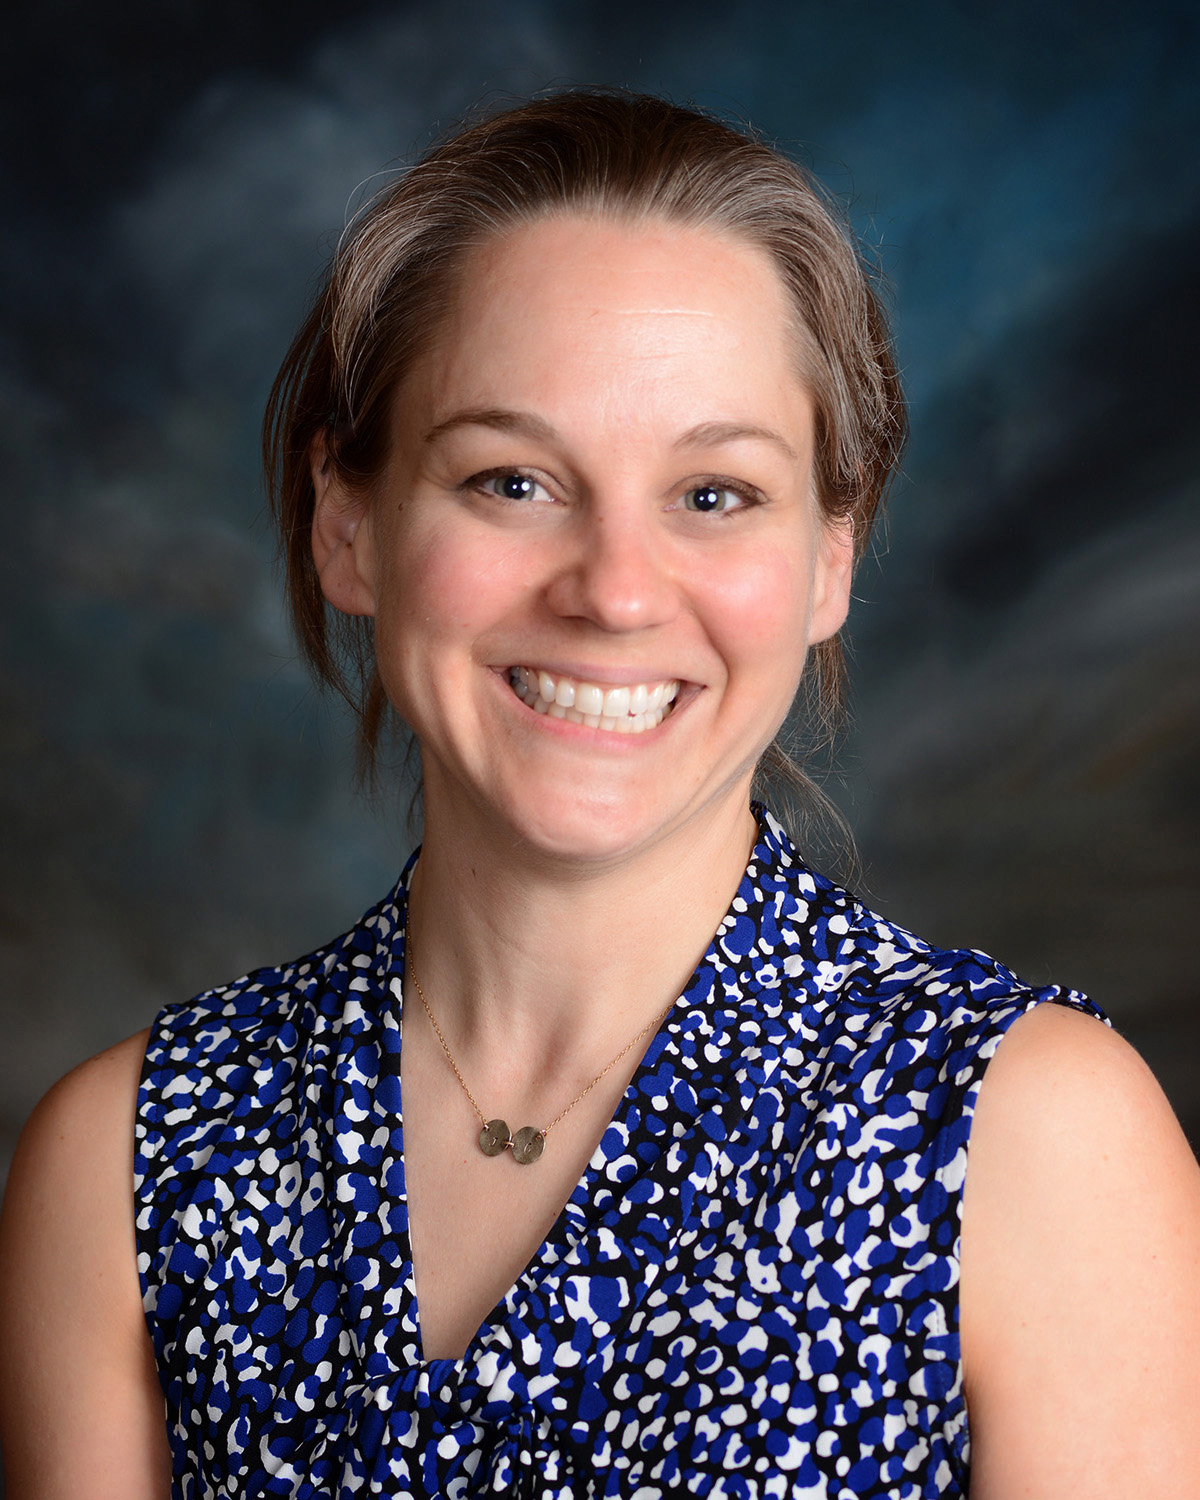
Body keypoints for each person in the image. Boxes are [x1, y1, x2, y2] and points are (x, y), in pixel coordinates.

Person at [1, 89, 1197, 1500]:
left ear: (829, 557)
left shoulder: (1029, 1139)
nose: (616, 590)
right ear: (348, 527)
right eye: (512, 481)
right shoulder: (130, 1162)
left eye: (713, 494)